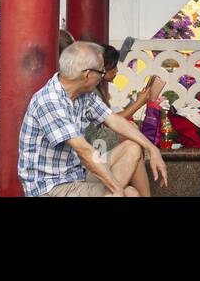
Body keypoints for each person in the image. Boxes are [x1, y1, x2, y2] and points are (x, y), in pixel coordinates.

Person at [17, 40, 169, 197]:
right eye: (101, 72)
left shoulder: (84, 95)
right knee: (129, 193)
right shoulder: (50, 100)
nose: (102, 77)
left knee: (132, 147)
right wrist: (117, 189)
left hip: (77, 175)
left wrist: (152, 149)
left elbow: (115, 120)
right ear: (87, 75)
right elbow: (84, 150)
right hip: (50, 187)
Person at [84, 44, 164, 194]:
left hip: (96, 145)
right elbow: (109, 121)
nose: (117, 70)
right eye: (113, 66)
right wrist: (140, 103)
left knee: (133, 138)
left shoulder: (94, 90)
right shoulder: (89, 91)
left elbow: (110, 118)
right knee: (132, 138)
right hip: (94, 146)